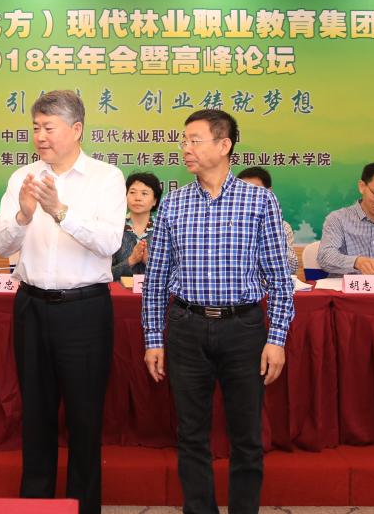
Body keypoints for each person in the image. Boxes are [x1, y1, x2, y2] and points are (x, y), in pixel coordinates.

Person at [142, 109, 295, 514]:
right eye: (184, 141)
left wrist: (277, 338)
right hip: (186, 327)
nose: (185, 148)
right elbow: (156, 279)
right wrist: (153, 339)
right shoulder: (173, 203)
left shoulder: (259, 201)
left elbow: (279, 277)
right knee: (191, 435)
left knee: (246, 437)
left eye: (194, 140)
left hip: (243, 328)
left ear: (224, 145)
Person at [0, 90, 125, 514]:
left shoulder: (106, 178)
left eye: (48, 127)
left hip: (84, 310)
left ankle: (83, 507)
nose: (40, 136)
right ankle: (36, 506)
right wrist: (24, 215)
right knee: (36, 415)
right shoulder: (22, 177)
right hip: (31, 307)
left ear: (76, 129)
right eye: (35, 128)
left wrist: (61, 211)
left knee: (84, 418)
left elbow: (109, 243)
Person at [237, 166, 300, 276]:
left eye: (255, 190)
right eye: (243, 191)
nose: (248, 196)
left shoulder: (282, 226)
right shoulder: (226, 224)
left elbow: (292, 267)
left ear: (269, 192)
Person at [112, 172, 163, 280]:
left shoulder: (163, 230)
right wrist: (131, 261)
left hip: (154, 290)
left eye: (144, 193)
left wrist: (149, 263)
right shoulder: (114, 228)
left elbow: (173, 274)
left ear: (155, 200)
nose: (137, 198)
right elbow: (104, 275)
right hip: (119, 291)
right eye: (132, 192)